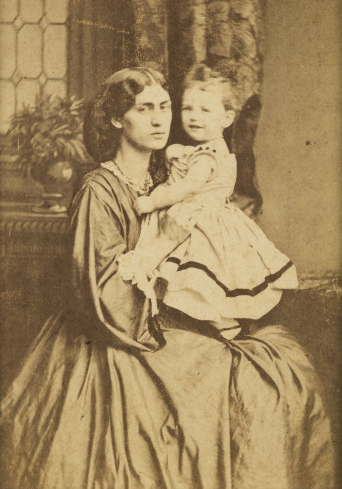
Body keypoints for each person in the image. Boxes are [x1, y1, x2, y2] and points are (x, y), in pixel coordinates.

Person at [0, 67, 335, 489]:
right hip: (116, 337)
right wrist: (163, 244)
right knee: (233, 387)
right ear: (118, 120)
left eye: (164, 107)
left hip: (170, 320)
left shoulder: (168, 177)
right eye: (144, 109)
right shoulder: (97, 191)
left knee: (281, 377)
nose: (160, 120)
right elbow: (104, 301)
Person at [131, 64, 298, 340]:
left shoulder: (208, 154)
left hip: (201, 221)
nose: (195, 117)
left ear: (227, 117)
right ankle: (191, 322)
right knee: (190, 281)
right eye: (188, 109)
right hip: (196, 215)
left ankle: (222, 323)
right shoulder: (199, 150)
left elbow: (187, 188)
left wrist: (151, 202)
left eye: (205, 110)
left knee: (200, 275)